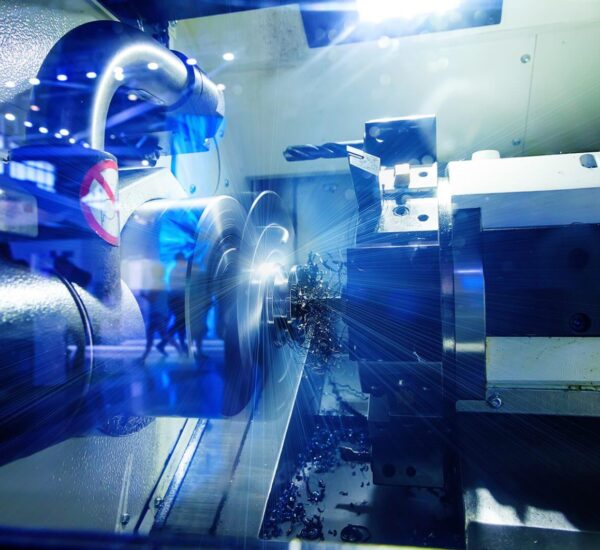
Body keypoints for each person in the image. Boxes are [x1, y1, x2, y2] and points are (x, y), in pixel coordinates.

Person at [158, 252, 188, 355]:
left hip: (176, 299)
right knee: (180, 322)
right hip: (178, 299)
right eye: (183, 259)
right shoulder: (177, 271)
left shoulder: (176, 270)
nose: (184, 261)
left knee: (180, 322)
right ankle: (180, 345)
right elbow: (180, 286)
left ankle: (165, 344)